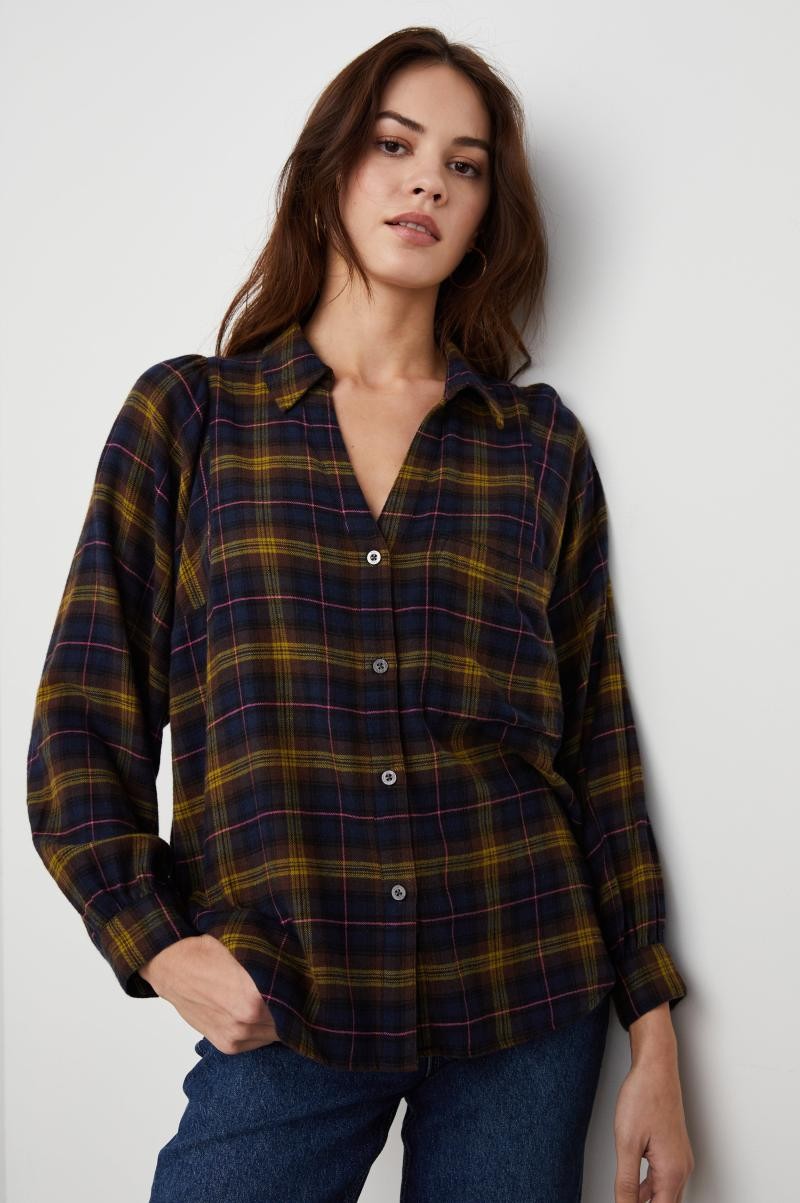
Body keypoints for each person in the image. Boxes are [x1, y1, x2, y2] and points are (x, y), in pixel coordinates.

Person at [25, 25, 694, 1203]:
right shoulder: (191, 419)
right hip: (288, 997)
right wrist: (156, 943)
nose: (426, 180)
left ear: (485, 214)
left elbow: (596, 746)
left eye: (463, 164)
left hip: (522, 992)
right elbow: (82, 724)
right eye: (394, 145)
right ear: (330, 168)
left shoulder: (533, 445)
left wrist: (652, 1039)